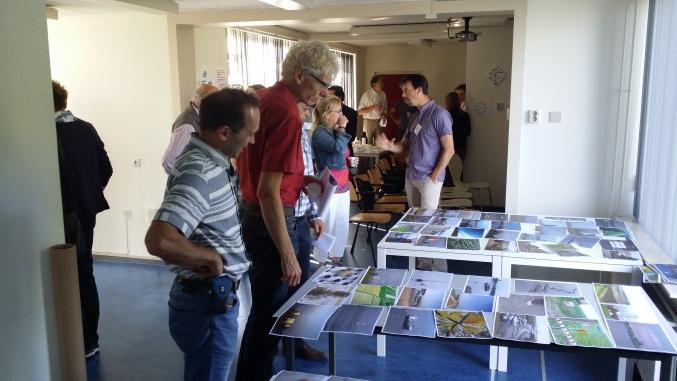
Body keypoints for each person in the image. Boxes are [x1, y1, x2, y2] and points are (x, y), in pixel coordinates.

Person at [235, 40, 338, 381]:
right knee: (268, 315)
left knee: (270, 312)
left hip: (259, 214)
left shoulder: (263, 101)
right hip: (273, 221)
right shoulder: (286, 114)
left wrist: (300, 178)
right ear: (299, 75)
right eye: (321, 85)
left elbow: (266, 174)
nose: (322, 95)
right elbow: (268, 192)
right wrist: (287, 253)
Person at [145, 88, 260, 381]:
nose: (252, 141)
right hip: (206, 303)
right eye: (248, 133)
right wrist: (209, 257)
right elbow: (160, 239)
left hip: (211, 299)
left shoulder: (214, 164)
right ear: (224, 133)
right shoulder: (200, 172)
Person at [52, 80, 113, 359]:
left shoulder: (47, 133)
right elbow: (106, 168)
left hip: (61, 216)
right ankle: (90, 340)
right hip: (85, 215)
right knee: (85, 274)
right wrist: (89, 195)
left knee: (65, 277)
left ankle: (72, 341)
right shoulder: (86, 127)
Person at [375, 74, 454, 272]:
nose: (402, 94)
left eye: (406, 90)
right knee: (416, 225)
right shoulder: (416, 116)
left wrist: (434, 176)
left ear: (419, 90)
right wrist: (389, 147)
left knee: (430, 226)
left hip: (428, 179)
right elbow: (402, 147)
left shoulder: (439, 114)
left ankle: (439, 271)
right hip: (412, 177)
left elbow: (449, 149)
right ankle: (423, 267)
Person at [290, 101, 327, 360]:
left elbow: (307, 175)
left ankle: (296, 343)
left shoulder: (303, 133)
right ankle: (274, 346)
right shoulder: (282, 131)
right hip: (286, 221)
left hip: (303, 218)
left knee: (301, 286)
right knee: (281, 290)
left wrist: (314, 214)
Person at [311, 95, 352, 263]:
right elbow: (337, 149)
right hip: (330, 187)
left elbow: (343, 153)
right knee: (327, 223)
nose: (342, 116)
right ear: (327, 115)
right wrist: (342, 128)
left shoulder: (333, 131)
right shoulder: (319, 133)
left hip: (342, 185)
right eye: (338, 112)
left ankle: (336, 259)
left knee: (341, 225)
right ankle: (321, 262)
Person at [161, 84, 219, 174]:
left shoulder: (199, 115)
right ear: (205, 102)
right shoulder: (187, 127)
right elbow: (168, 161)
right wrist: (187, 179)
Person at [327, 85, 357, 155]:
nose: (327, 99)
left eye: (330, 97)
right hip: (330, 149)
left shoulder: (351, 112)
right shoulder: (326, 112)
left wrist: (341, 127)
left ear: (339, 97)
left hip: (345, 152)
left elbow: (352, 137)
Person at [357, 75, 387, 144]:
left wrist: (384, 114)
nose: (383, 84)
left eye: (382, 82)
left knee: (379, 144)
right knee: (367, 143)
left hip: (380, 122)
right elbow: (360, 112)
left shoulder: (383, 94)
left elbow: (385, 109)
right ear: (374, 84)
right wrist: (373, 107)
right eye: (381, 82)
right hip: (368, 122)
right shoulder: (366, 94)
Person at [445, 91, 471, 161]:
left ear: (448, 102)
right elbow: (468, 132)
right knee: (459, 170)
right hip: (461, 146)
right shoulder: (465, 115)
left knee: (447, 169)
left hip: (449, 146)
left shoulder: (446, 115)